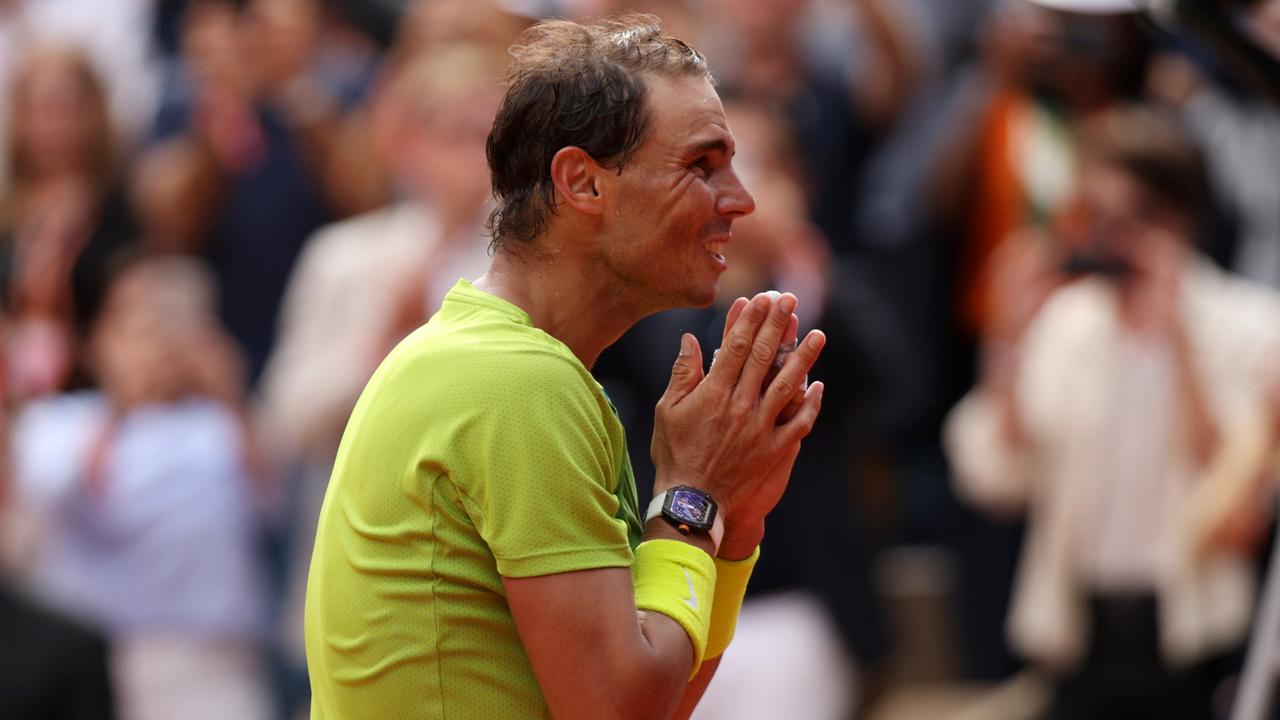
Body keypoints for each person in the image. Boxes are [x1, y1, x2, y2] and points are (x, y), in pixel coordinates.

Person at [304, 14, 827, 720]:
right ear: (581, 184)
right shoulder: (519, 385)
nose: (741, 200)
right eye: (701, 166)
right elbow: (616, 711)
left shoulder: (503, 363)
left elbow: (653, 700)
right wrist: (691, 498)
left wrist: (728, 527)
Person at [944, 106, 1280, 720]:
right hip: (1081, 626)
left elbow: (1238, 497)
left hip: (1194, 631)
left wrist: (1177, 339)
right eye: (1094, 217)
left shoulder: (1250, 326)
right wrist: (1006, 342)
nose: (1108, 239)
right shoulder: (1071, 326)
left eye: (1128, 220)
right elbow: (998, 477)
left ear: (1178, 218)